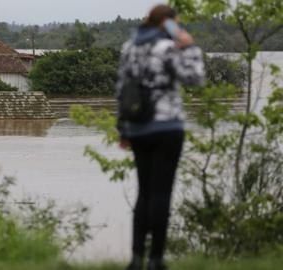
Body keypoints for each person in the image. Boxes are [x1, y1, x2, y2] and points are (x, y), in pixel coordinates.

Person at [116, 4, 205, 270]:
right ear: (167, 24)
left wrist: (123, 129)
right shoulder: (167, 48)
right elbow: (195, 78)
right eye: (175, 24)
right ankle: (156, 259)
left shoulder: (128, 48)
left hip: (139, 128)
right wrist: (189, 46)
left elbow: (122, 90)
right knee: (161, 193)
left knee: (144, 191)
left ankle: (135, 258)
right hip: (167, 127)